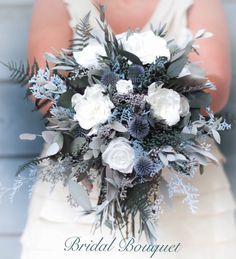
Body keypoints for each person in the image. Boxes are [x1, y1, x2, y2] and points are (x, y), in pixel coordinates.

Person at [21, 0, 236, 258]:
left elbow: (217, 85)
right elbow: (44, 88)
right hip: (79, 187)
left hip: (186, 189)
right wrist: (106, 116)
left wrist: (154, 110)